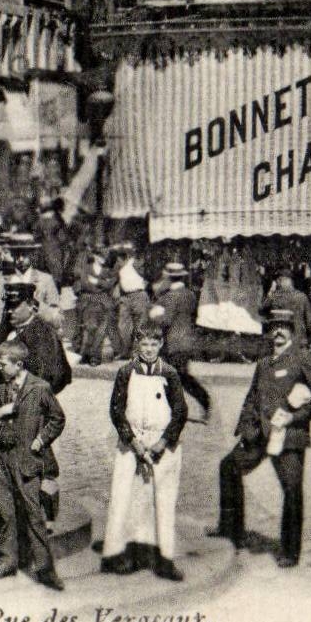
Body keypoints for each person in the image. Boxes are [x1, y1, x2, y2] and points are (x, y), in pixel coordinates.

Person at [209, 307, 311, 567]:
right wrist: (244, 428)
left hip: (288, 437)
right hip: (259, 435)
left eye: (283, 327)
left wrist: (294, 417)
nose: (277, 332)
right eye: (273, 327)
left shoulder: (302, 359)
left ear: (292, 331)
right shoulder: (264, 363)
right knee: (229, 467)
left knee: (292, 489)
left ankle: (289, 551)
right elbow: (252, 397)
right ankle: (232, 530)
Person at [101, 318, 188, 580]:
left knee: (163, 498)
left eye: (154, 344)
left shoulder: (169, 373)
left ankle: (165, 558)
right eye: (144, 343)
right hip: (132, 444)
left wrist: (162, 443)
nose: (148, 349)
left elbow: (181, 412)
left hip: (163, 445)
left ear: (161, 345)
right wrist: (134, 443)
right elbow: (116, 411)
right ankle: (119, 553)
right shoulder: (126, 372)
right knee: (125, 496)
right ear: (137, 344)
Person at [0, 339, 65, 589]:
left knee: (34, 514)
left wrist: (41, 440)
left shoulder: (39, 388)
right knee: (5, 513)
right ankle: (7, 562)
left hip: (26, 459)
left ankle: (45, 569)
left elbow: (57, 418)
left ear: (18, 364)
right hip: (0, 459)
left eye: (3, 363)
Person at [151, 260, 211, 421]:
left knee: (177, 377)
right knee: (179, 376)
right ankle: (201, 402)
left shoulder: (170, 297)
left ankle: (197, 403)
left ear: (169, 278)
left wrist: (154, 315)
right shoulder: (189, 294)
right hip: (187, 340)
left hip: (173, 342)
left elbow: (166, 320)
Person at [259, 273, 311, 351]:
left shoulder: (274, 297)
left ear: (279, 281)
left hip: (278, 341)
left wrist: (270, 292)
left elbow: (261, 311)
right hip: (299, 341)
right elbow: (310, 321)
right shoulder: (302, 297)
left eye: (276, 281)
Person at [114, 244, 151, 358]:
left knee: (140, 325)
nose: (117, 263)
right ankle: (124, 351)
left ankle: (136, 353)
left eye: (119, 260)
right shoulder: (121, 267)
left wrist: (146, 284)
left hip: (138, 295)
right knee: (123, 326)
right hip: (125, 297)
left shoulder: (136, 263)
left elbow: (149, 274)